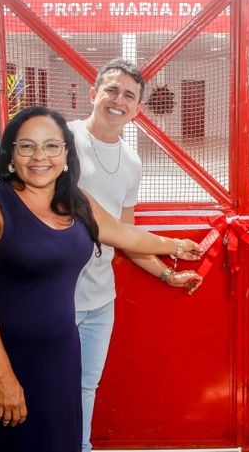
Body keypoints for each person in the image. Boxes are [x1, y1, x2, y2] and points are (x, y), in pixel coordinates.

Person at [0, 106, 202, 452]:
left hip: (59, 356)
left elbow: (121, 233)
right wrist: (3, 377)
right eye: (27, 146)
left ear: (67, 154)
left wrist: (175, 245)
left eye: (52, 146)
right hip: (5, 358)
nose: (41, 156)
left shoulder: (76, 201)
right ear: (10, 155)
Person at [67, 58, 203, 452]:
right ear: (94, 94)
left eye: (129, 95)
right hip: (56, 295)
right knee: (44, 386)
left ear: (138, 108)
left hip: (99, 299)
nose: (118, 100)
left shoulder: (132, 161)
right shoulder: (66, 139)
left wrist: (167, 274)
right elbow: (96, 221)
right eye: (111, 89)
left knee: (85, 387)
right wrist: (174, 246)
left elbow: (126, 236)